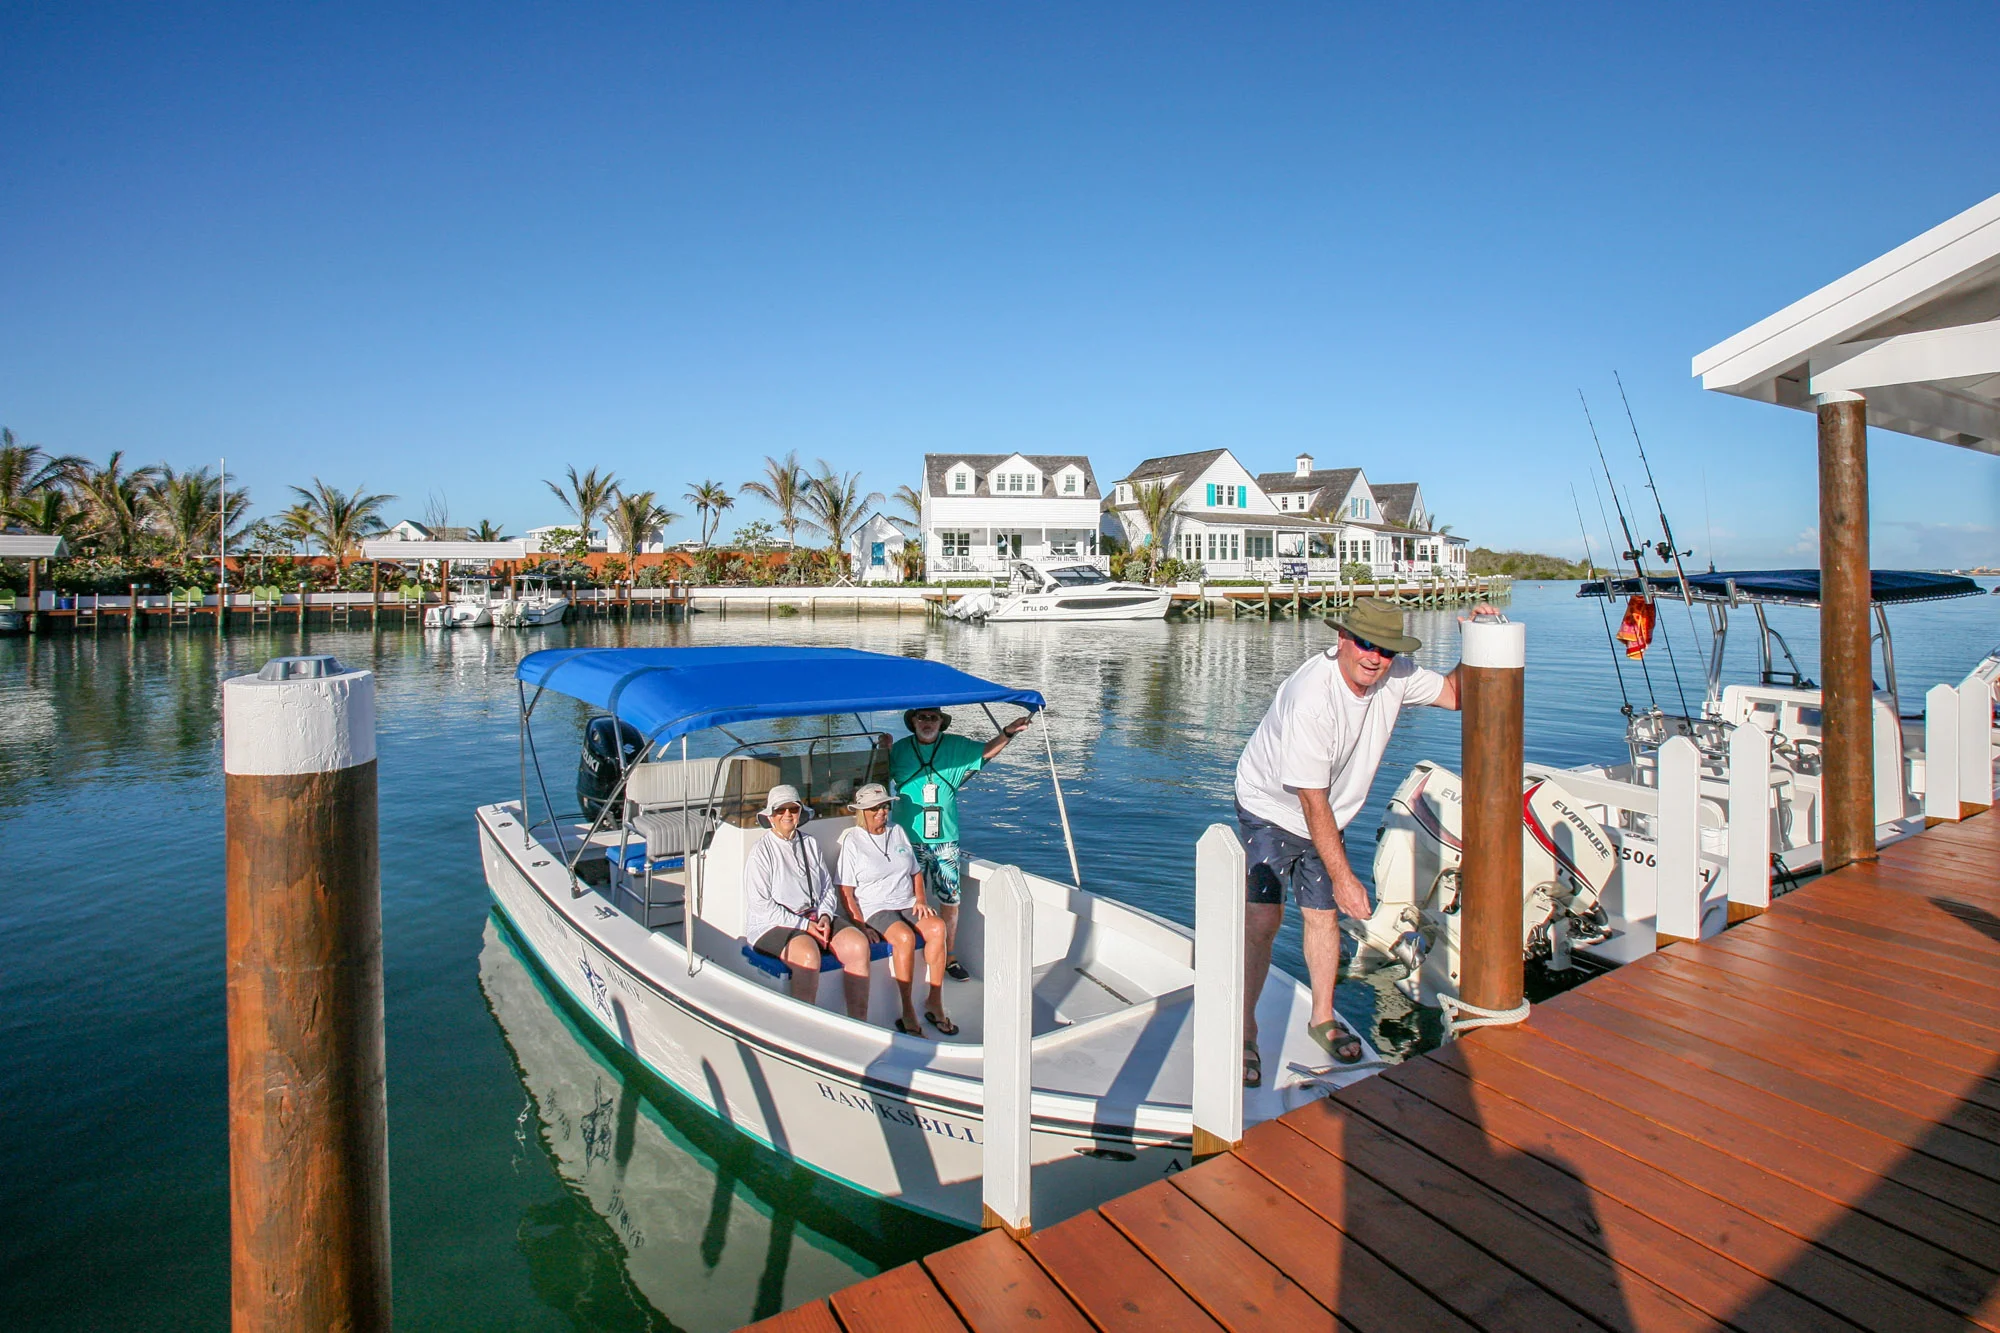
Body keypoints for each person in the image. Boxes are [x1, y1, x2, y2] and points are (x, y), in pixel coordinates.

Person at [1233, 599, 1494, 1085]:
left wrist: (1474, 640)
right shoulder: (1313, 698)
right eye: (1365, 644)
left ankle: (1323, 1018)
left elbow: (1457, 694)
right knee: (1264, 920)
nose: (1374, 657)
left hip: (1329, 810)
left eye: (1386, 649)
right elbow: (1309, 800)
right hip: (1272, 806)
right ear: (1342, 640)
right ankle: (1245, 1029)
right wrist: (1345, 877)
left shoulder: (1395, 675)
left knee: (1323, 916)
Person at [888, 705, 1031, 980]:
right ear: (913, 721)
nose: (927, 722)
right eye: (922, 717)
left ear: (941, 722)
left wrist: (1008, 732)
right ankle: (907, 952)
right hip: (906, 839)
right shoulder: (898, 750)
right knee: (904, 897)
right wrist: (882, 749)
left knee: (950, 899)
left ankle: (949, 955)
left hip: (946, 841)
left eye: (933, 718)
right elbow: (875, 775)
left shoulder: (956, 746)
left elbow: (986, 752)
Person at [742, 784, 873, 1019]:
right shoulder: (761, 851)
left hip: (812, 916)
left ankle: (859, 1021)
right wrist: (805, 926)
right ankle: (805, 1028)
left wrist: (823, 916)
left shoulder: (810, 843)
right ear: (771, 816)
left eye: (792, 809)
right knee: (808, 954)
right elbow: (761, 905)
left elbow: (826, 888)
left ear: (800, 812)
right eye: (780, 810)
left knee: (858, 944)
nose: (787, 815)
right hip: (769, 925)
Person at [836, 783, 952, 1036]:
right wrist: (860, 925)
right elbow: (845, 891)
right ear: (862, 811)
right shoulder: (853, 841)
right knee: (904, 937)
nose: (881, 812)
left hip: (906, 901)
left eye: (885, 806)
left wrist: (920, 899)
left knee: (937, 927)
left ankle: (935, 999)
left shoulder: (897, 831)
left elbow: (915, 872)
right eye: (874, 807)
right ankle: (907, 1008)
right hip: (875, 907)